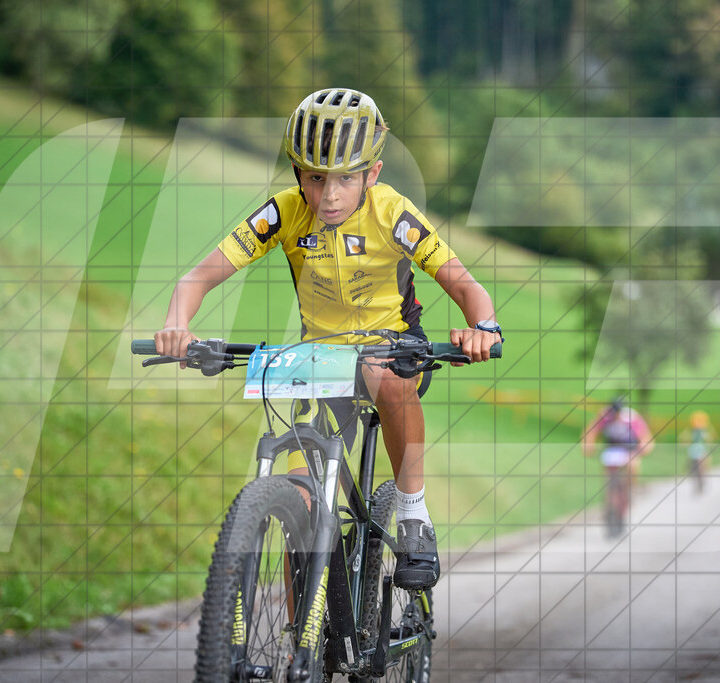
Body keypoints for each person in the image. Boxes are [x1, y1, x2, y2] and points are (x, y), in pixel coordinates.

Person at [153, 88, 503, 589]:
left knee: (382, 373)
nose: (330, 195)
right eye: (316, 178)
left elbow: (467, 286)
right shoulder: (284, 212)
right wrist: (177, 327)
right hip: (320, 358)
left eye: (345, 179)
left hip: (393, 345)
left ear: (373, 174)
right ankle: (305, 645)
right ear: (298, 175)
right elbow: (196, 279)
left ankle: (412, 513)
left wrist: (482, 329)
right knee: (300, 499)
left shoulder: (392, 213)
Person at [583, 398, 653, 535]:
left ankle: (631, 489)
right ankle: (609, 505)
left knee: (633, 465)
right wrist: (588, 446)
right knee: (610, 479)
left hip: (629, 450)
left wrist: (644, 448)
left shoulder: (631, 418)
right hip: (612, 450)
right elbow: (591, 431)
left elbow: (646, 437)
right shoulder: (604, 416)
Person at [682, 410, 714, 494]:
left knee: (702, 466)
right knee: (693, 468)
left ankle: (702, 481)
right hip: (693, 451)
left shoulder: (705, 431)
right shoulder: (690, 430)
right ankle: (697, 482)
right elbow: (684, 439)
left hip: (701, 451)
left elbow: (709, 440)